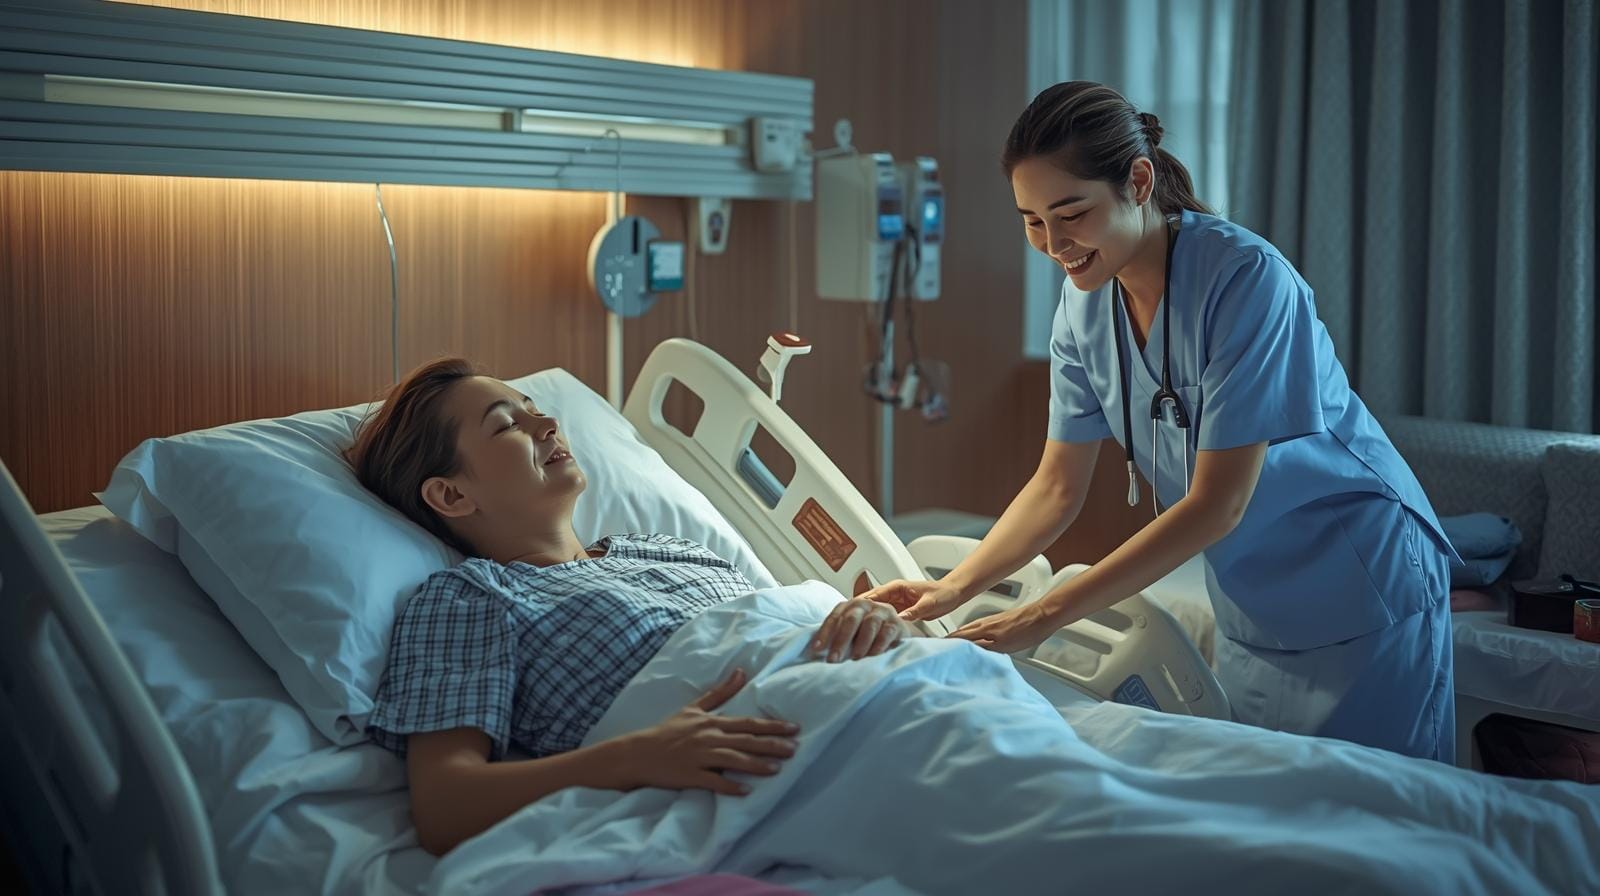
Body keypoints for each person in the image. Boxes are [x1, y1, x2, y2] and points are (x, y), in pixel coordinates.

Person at [863, 81, 1460, 762]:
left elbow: (1218, 505)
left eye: (1071, 213)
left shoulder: (1248, 282)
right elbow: (1057, 487)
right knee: (1274, 829)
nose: (1053, 242)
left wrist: (1040, 615)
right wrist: (955, 586)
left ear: (1138, 181)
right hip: (1255, 606)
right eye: (1031, 220)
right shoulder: (1082, 310)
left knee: (1387, 823)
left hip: (1362, 586)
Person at [347, 358, 913, 855]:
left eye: (534, 408)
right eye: (506, 425)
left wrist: (860, 622)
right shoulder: (473, 598)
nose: (545, 424)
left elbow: (778, 637)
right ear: (451, 494)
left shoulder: (676, 551)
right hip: (798, 762)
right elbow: (446, 806)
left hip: (877, 695)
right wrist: (635, 757)